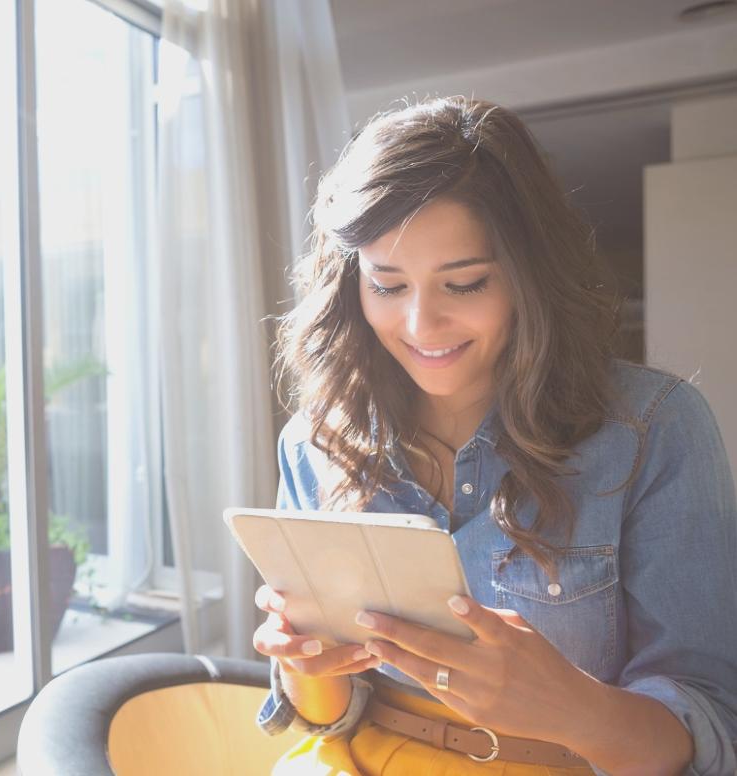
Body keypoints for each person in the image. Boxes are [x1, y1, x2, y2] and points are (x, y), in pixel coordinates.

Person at [253, 96, 737, 775]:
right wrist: (302, 661)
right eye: (387, 286)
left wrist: (575, 708)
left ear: (530, 276)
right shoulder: (315, 440)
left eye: (464, 283)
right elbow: (329, 715)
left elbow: (713, 728)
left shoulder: (654, 429)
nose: (421, 326)